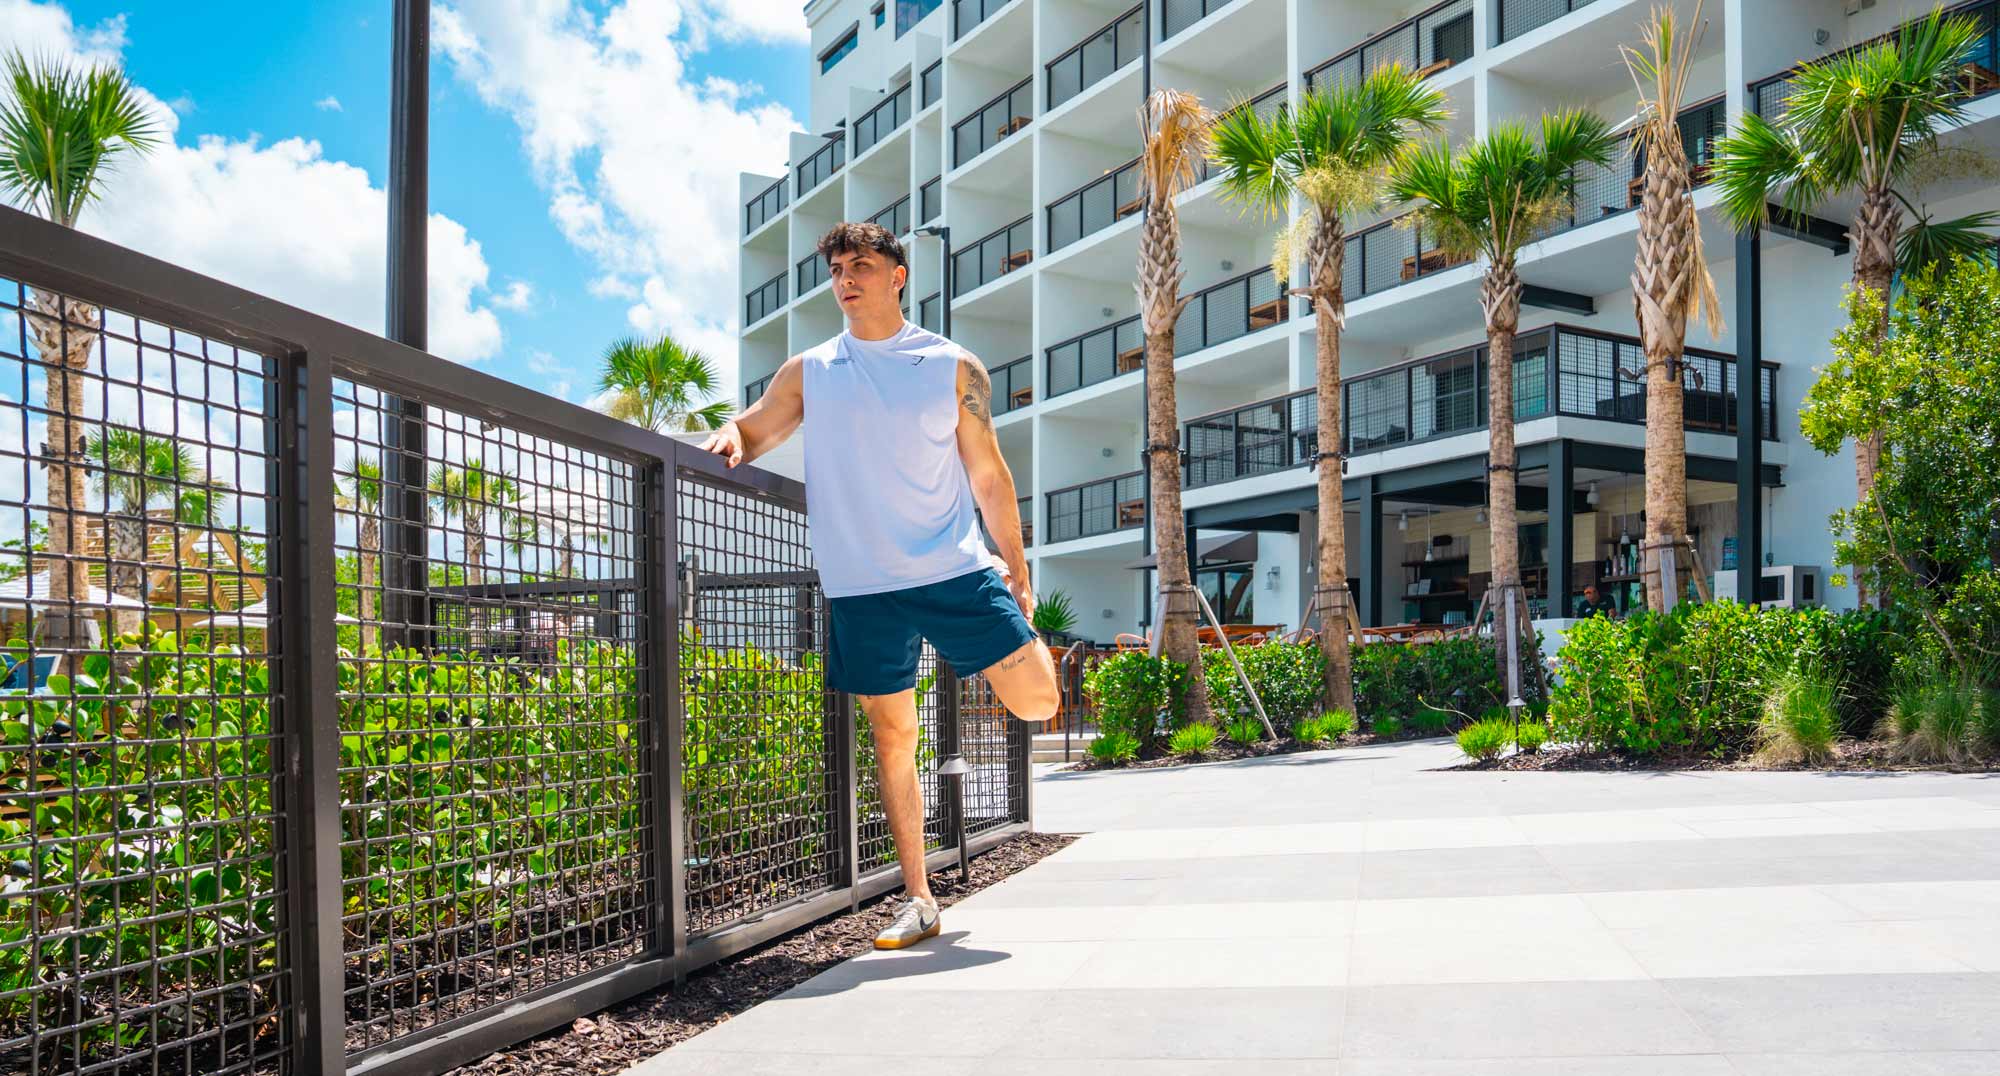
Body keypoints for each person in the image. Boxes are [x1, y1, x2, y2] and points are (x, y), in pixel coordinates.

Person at [699, 221, 1059, 951]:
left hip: (955, 569)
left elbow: (989, 475)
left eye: (860, 264)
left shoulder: (951, 366)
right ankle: (920, 900)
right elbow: (760, 425)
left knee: (1038, 701)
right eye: (837, 268)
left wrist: (1016, 570)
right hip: (861, 585)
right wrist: (734, 434)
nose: (845, 278)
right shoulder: (811, 371)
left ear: (898, 274)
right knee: (893, 739)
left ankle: (1014, 642)